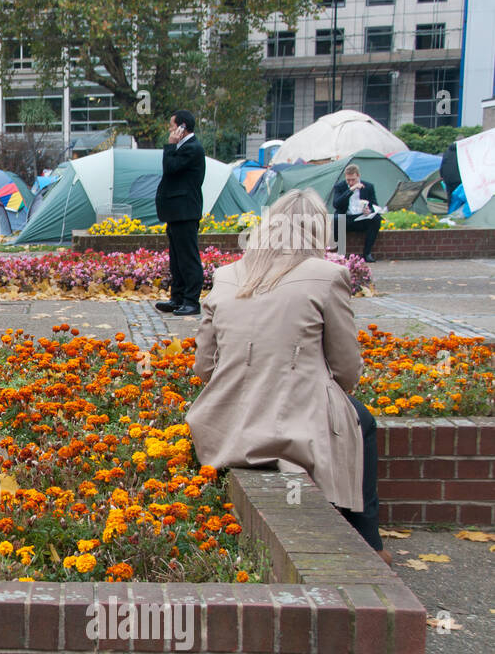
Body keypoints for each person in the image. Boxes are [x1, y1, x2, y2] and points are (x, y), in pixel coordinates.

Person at [186, 189, 389, 565]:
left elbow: (203, 366)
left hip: (225, 424)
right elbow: (346, 369)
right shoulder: (328, 276)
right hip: (293, 424)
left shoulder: (226, 275)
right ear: (318, 231)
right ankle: (368, 540)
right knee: (363, 422)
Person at [154, 109, 207, 317]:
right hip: (177, 212)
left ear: (182, 127)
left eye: (172, 125)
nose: (170, 129)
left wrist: (170, 145)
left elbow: (170, 167)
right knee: (176, 259)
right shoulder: (184, 147)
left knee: (188, 258)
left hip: (186, 212)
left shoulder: (191, 148)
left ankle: (191, 301)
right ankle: (177, 297)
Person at [330, 164, 381, 263]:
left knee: (376, 219)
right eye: (348, 180)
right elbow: (336, 204)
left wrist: (369, 210)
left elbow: (374, 205)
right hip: (347, 217)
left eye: (353, 180)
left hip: (361, 217)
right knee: (337, 219)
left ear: (358, 176)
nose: (350, 182)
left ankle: (367, 253)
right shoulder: (340, 187)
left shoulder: (368, 187)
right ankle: (341, 253)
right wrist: (350, 190)